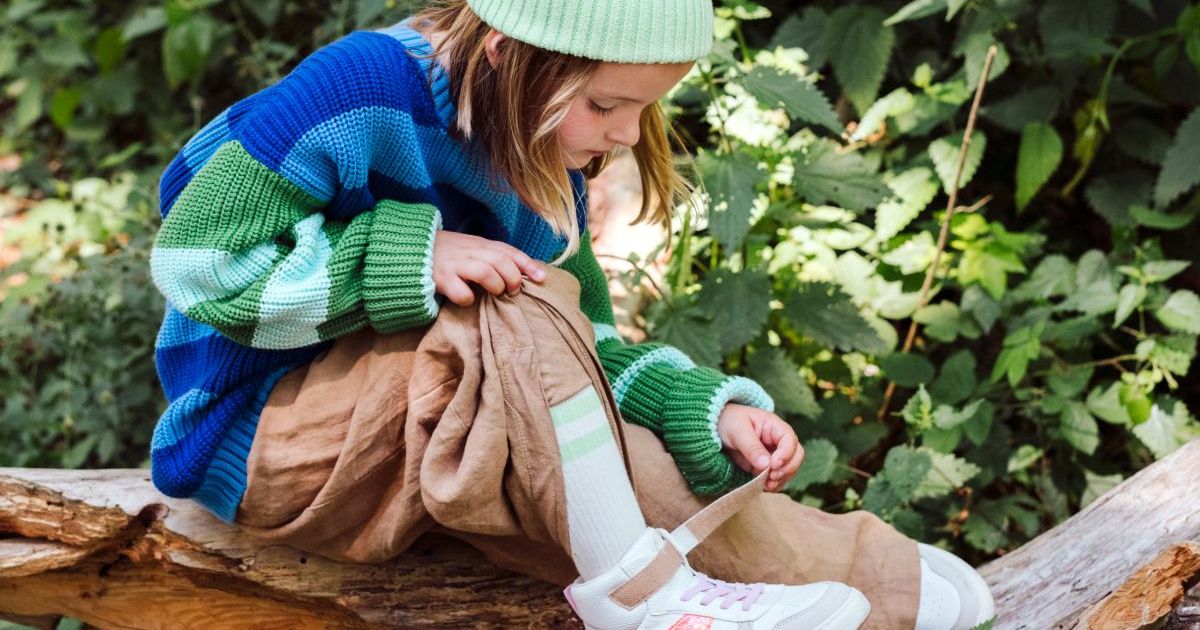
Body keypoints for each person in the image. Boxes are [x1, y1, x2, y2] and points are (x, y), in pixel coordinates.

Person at [146, 0, 994, 627]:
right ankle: (645, 602)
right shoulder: (364, 87)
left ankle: (875, 588)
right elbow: (198, 262)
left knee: (592, 404)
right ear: (509, 55)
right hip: (268, 434)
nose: (626, 137)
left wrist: (703, 408)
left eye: (642, 110)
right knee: (509, 298)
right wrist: (410, 257)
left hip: (434, 424)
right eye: (605, 106)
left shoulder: (540, 163)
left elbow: (572, 358)